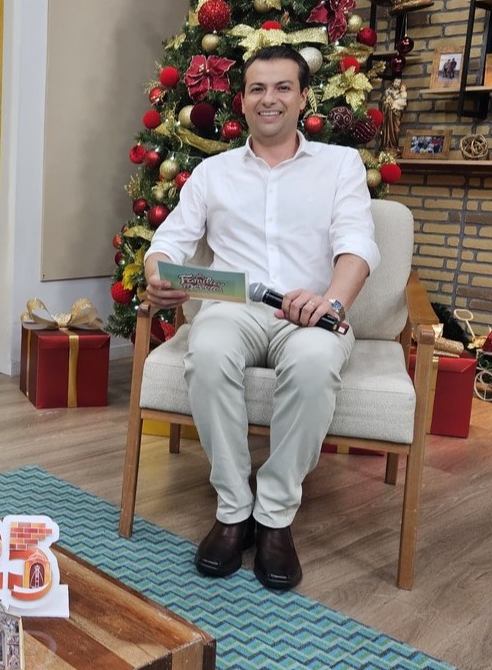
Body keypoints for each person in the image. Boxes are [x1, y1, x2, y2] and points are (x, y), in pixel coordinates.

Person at [143, 45, 379, 591]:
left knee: (315, 363)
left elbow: (357, 244)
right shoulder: (212, 172)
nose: (269, 99)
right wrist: (159, 275)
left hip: (311, 312)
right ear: (244, 102)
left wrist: (332, 303)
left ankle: (273, 517)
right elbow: (168, 241)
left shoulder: (340, 165)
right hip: (235, 309)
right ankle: (233, 510)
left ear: (303, 98)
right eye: (257, 89)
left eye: (282, 87)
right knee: (208, 350)